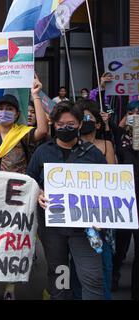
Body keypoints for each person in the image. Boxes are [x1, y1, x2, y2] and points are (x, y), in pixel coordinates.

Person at [0, 76, 48, 300]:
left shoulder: (23, 134)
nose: (4, 112)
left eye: (9, 109)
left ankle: (10, 289)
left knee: (11, 243)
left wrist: (36, 95)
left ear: (17, 114)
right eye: (1, 108)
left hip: (14, 199)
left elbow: (43, 131)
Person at [27, 101, 107, 300]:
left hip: (86, 229)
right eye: (60, 124)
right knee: (59, 274)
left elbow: (107, 187)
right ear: (53, 124)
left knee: (92, 277)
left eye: (70, 123)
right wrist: (38, 194)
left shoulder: (93, 154)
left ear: (80, 124)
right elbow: (30, 181)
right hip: (53, 229)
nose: (65, 128)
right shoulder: (43, 152)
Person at [68, 99, 117, 300]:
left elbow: (113, 178)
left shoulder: (106, 145)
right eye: (83, 117)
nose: (86, 121)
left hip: (100, 216)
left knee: (103, 263)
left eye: (90, 117)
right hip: (77, 215)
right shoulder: (72, 147)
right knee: (77, 267)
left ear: (98, 123)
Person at [111, 100, 139, 300]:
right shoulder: (120, 138)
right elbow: (113, 126)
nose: (136, 115)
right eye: (132, 112)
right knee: (120, 244)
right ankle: (113, 276)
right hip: (125, 200)